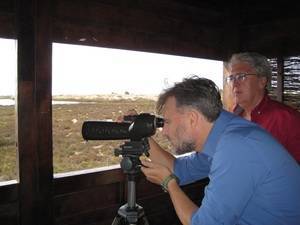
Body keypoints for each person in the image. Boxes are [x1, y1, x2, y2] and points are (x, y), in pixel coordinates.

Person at [133, 76, 300, 225]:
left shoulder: (236, 146)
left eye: (167, 122)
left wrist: (169, 183)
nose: (165, 131)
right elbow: (180, 170)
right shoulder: (221, 133)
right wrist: (138, 133)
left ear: (192, 119)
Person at [226, 52, 300, 163]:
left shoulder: (287, 119)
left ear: (262, 81)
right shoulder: (232, 115)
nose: (234, 84)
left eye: (241, 76)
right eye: (231, 78)